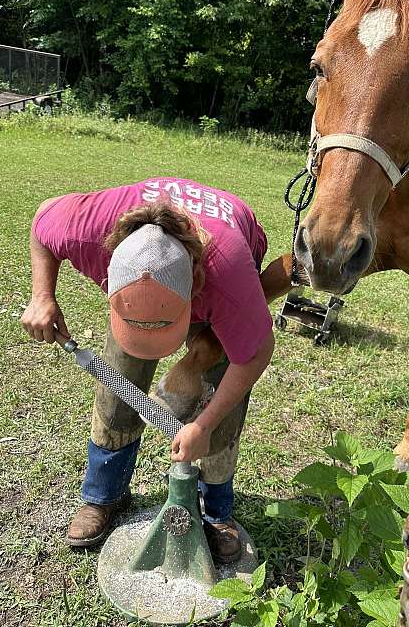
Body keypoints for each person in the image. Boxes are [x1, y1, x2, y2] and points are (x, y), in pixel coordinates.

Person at [21, 177, 290, 562]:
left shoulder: (227, 272)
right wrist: (42, 295)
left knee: (222, 402)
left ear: (195, 287)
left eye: (164, 326)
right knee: (119, 387)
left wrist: (204, 424)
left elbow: (256, 352)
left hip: (227, 247)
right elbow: (43, 218)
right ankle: (103, 494)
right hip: (152, 282)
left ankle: (216, 511)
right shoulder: (86, 229)